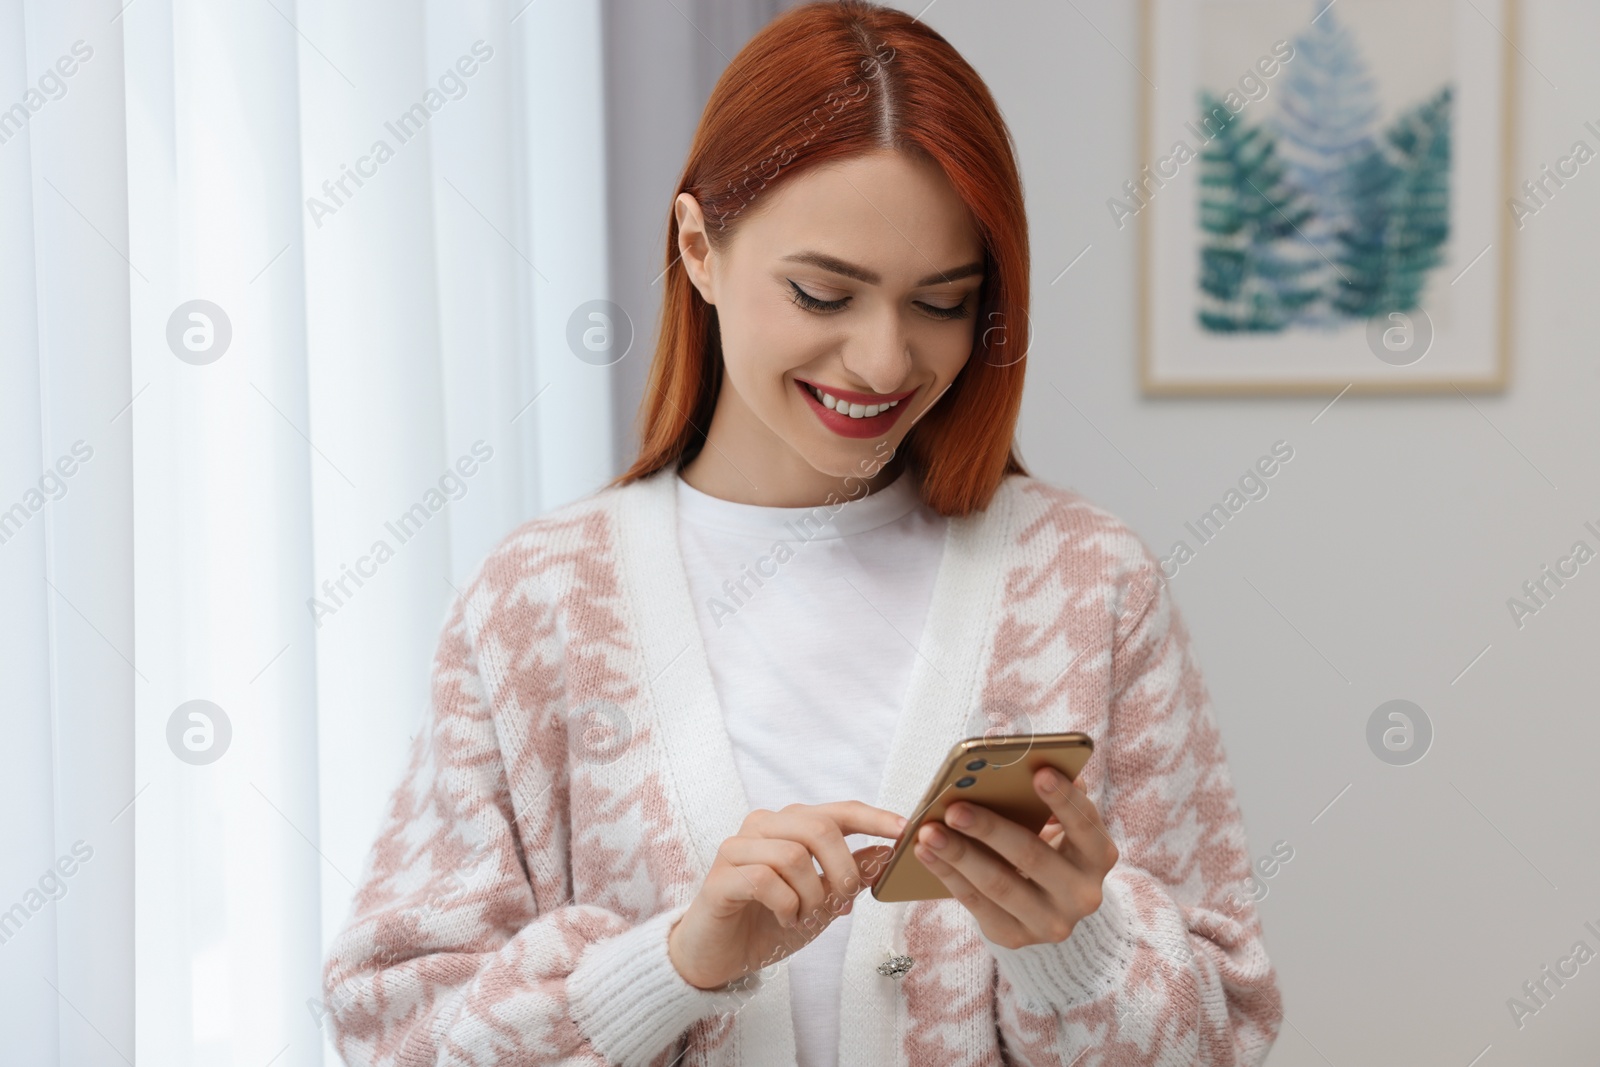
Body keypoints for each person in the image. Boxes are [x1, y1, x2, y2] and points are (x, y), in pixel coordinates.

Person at [320, 3, 1282, 1064]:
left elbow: (1224, 1035)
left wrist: (1075, 946)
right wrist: (675, 963)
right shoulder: (540, 601)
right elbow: (397, 1031)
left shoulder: (1087, 584)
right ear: (698, 247)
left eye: (942, 303)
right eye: (824, 291)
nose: (882, 361)